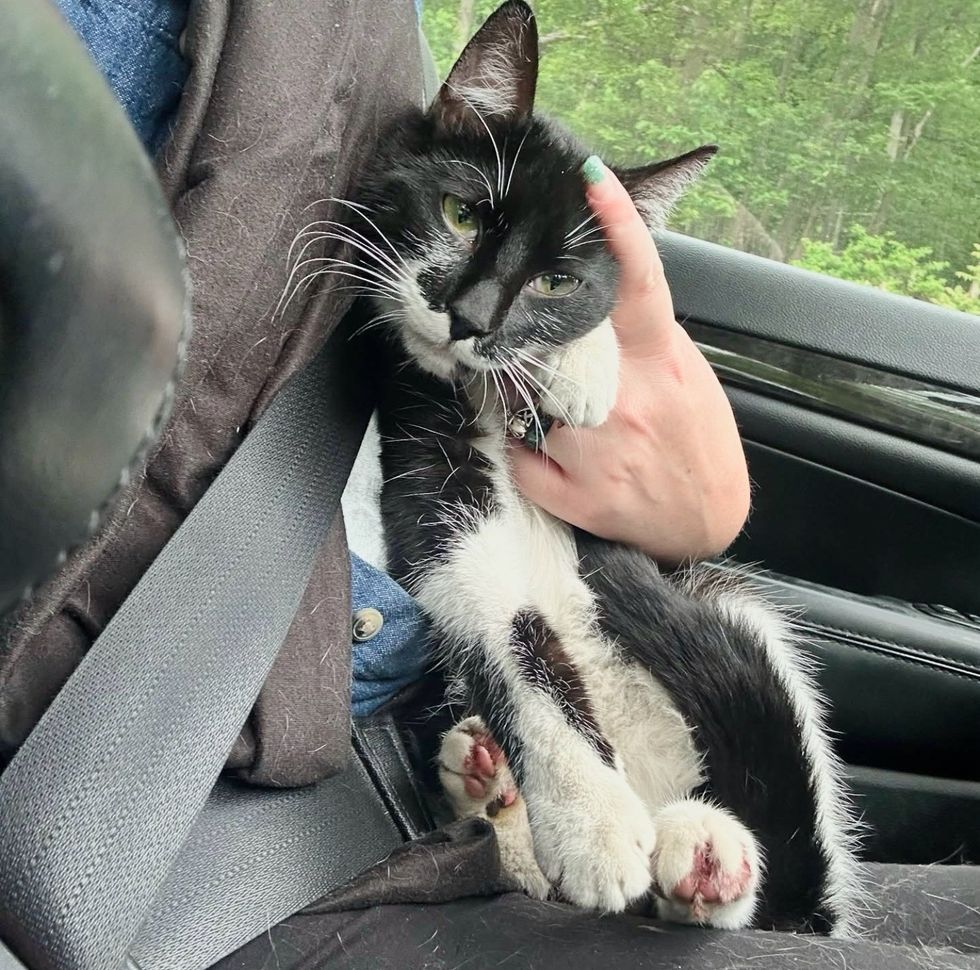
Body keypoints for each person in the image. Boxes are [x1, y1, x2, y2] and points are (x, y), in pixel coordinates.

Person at [42, 2, 980, 969]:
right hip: (280, 789)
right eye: (462, 216)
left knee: (729, 625)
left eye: (548, 288)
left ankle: (714, 878)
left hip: (591, 760)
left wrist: (696, 493)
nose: (472, 314)